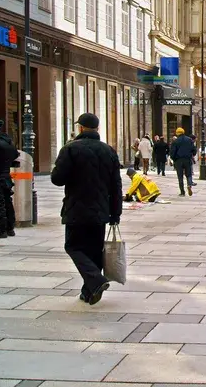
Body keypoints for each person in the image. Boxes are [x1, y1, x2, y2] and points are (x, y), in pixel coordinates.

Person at [51, 113, 122, 305]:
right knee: (94, 250)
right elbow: (116, 185)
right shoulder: (109, 151)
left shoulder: (71, 149)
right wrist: (116, 213)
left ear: (81, 128)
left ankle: (96, 281)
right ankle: (89, 292)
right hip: (100, 210)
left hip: (77, 208)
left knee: (73, 246)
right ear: (97, 129)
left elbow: (57, 179)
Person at [169, 127, 197, 196]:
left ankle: (182, 192)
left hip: (179, 160)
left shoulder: (175, 141)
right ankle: (189, 185)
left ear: (177, 133)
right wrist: (192, 155)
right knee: (189, 174)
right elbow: (194, 150)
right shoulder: (189, 140)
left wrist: (174, 159)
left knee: (180, 176)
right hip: (187, 159)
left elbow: (172, 153)